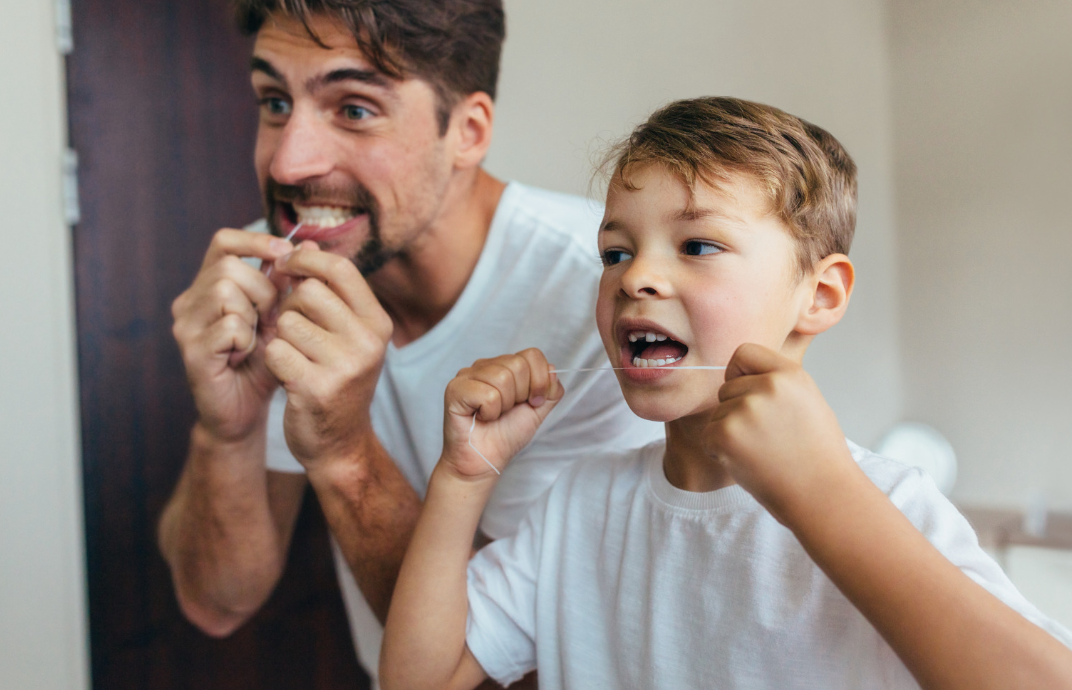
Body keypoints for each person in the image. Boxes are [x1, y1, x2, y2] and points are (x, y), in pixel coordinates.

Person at [381, 97, 1072, 689]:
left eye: (698, 246)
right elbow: (422, 678)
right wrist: (463, 477)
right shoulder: (576, 507)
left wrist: (822, 494)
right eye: (615, 253)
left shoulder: (885, 501)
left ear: (820, 295)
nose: (635, 278)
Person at [157, 0, 661, 685]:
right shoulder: (270, 279)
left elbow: (520, 672)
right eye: (274, 101)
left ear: (468, 131)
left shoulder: (605, 303)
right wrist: (227, 432)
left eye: (354, 109)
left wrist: (344, 455)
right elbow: (216, 601)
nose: (289, 160)